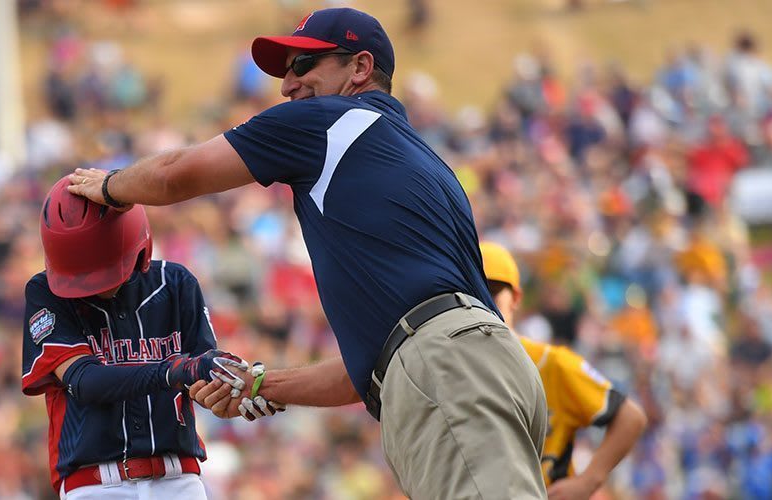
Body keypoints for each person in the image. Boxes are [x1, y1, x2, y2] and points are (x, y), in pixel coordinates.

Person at [67, 7, 548, 498]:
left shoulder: (330, 120)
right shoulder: (424, 158)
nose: (286, 86)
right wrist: (259, 385)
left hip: (449, 370)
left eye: (303, 66)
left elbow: (175, 174)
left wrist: (108, 185)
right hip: (484, 366)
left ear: (360, 68)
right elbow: (369, 367)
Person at [21, 175, 248, 499]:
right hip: (95, 484)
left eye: (100, 271)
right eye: (81, 274)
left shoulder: (176, 283)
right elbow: (85, 381)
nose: (92, 284)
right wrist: (174, 371)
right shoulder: (45, 292)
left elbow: (201, 379)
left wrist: (236, 385)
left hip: (178, 477)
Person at [479, 241, 648, 500]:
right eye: (474, 293)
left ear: (515, 298)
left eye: (492, 292)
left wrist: (587, 482)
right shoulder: (447, 370)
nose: (483, 303)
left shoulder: (552, 362)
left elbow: (630, 418)